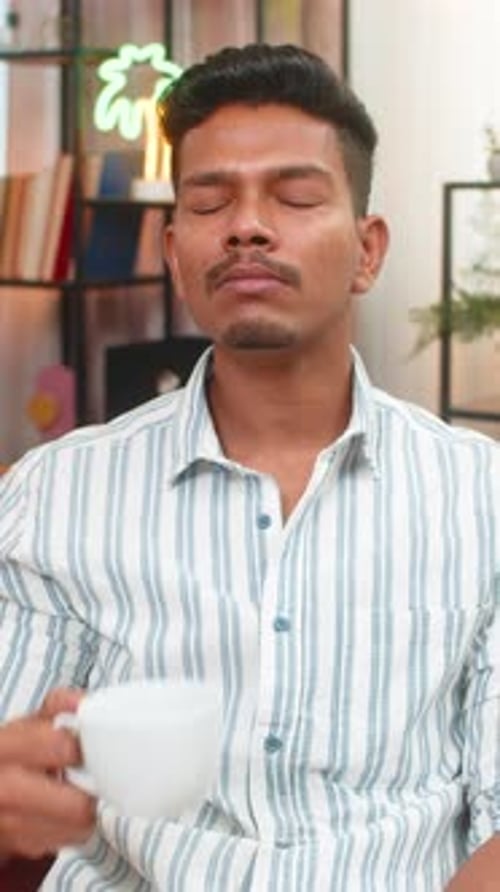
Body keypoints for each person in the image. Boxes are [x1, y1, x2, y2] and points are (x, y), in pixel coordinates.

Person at [0, 42, 498, 892]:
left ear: (369, 250)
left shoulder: (480, 498)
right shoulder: (55, 494)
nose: (247, 225)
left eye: (297, 195)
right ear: (173, 249)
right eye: (209, 201)